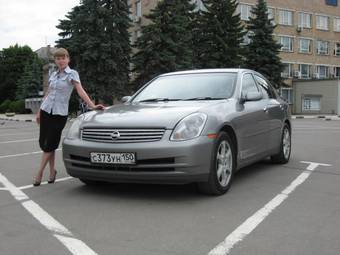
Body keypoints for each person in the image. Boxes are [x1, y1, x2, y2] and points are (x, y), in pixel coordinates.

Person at [33, 48, 104, 186]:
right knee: (47, 144)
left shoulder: (72, 74)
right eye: (58, 58)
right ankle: (52, 172)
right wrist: (39, 111)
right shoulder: (54, 75)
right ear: (55, 60)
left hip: (59, 114)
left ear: (68, 59)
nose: (60, 61)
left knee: (49, 144)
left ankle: (39, 173)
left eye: (63, 58)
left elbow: (80, 90)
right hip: (46, 111)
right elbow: (48, 93)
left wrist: (92, 105)